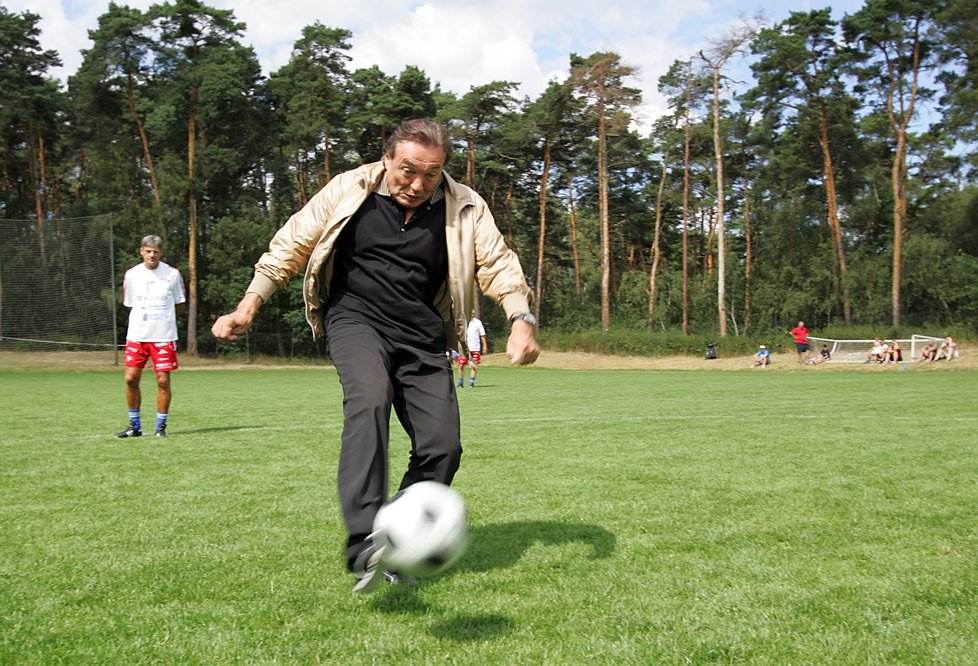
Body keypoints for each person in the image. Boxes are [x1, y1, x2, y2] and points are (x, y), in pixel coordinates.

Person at [210, 119, 540, 594]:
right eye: (408, 170)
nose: (418, 184)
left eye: (431, 174)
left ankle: (402, 538)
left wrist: (520, 318)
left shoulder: (463, 205)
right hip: (356, 319)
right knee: (368, 399)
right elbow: (293, 241)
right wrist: (249, 304)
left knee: (442, 445)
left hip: (422, 334)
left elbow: (497, 262)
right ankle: (364, 536)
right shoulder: (350, 188)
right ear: (387, 159)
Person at [115, 235, 186, 439]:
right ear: (141, 252)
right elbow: (130, 303)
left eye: (155, 251)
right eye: (148, 251)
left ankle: (160, 427)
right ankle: (134, 426)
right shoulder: (131, 275)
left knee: (163, 381)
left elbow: (179, 302)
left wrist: (166, 320)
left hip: (163, 336)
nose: (151, 255)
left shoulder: (172, 274)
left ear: (161, 253)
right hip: (137, 335)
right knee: (130, 379)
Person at [457, 315, 487, 387]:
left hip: (475, 348)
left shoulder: (477, 322)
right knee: (461, 365)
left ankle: (472, 383)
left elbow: (482, 335)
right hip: (464, 348)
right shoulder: (462, 321)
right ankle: (460, 383)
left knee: (474, 366)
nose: (471, 312)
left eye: (473, 311)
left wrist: (485, 346)